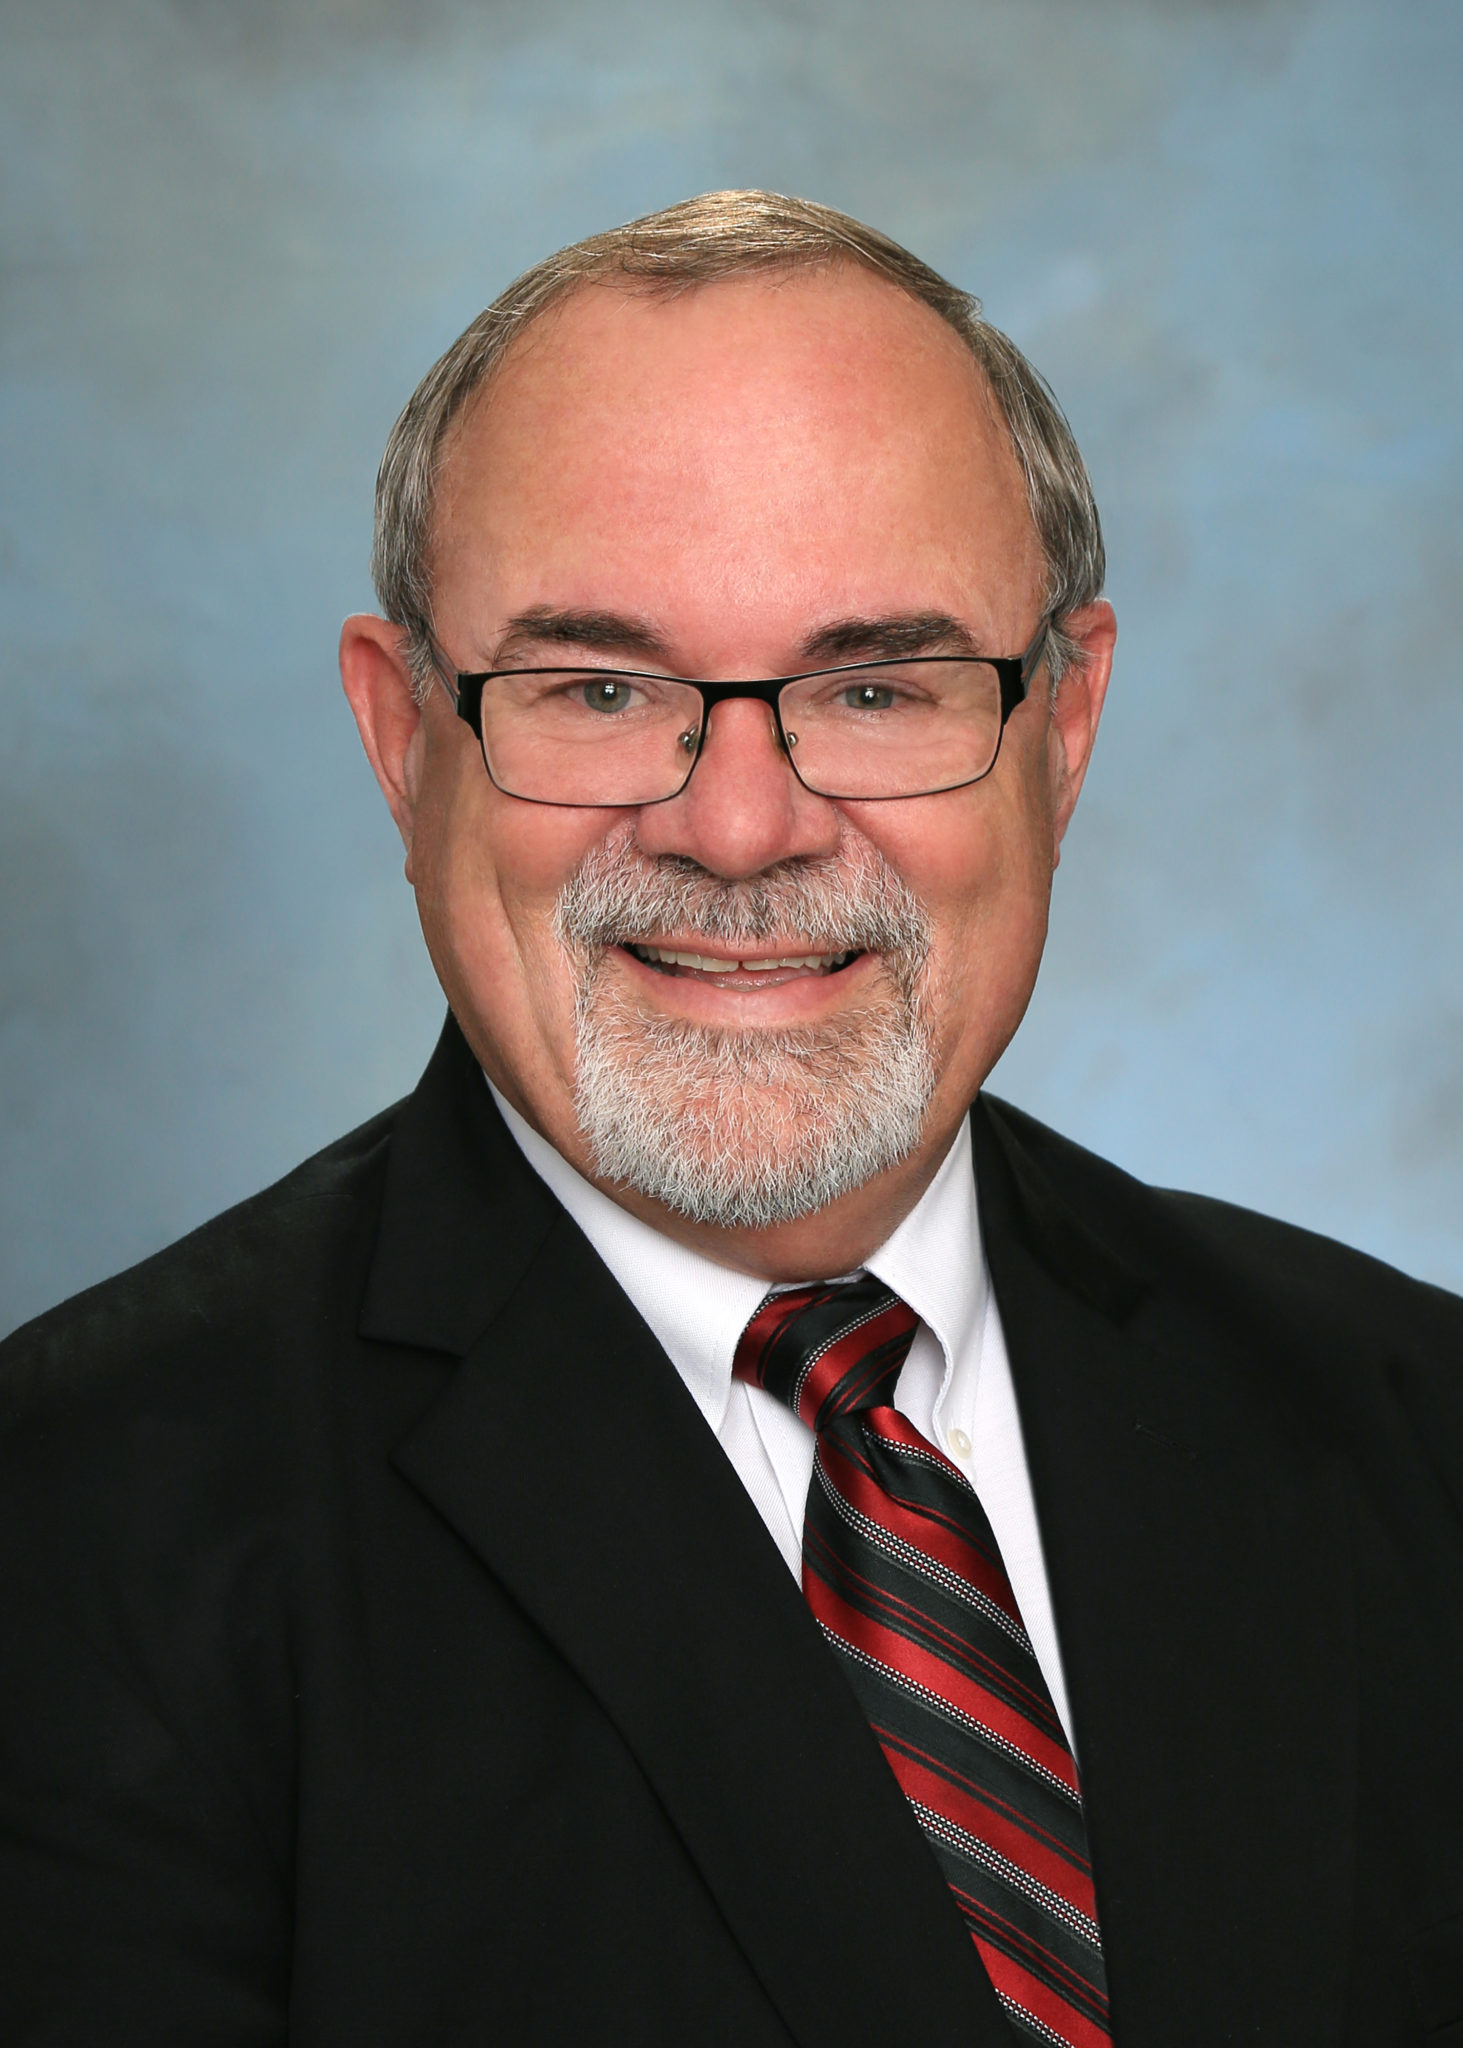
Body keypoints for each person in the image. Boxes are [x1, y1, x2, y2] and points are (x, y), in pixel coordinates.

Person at [2, 190, 1461, 2048]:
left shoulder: (1416, 1432)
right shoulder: (73, 1537)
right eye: (602, 688)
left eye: (872, 686)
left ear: (1066, 727)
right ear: (401, 737)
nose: (742, 824)